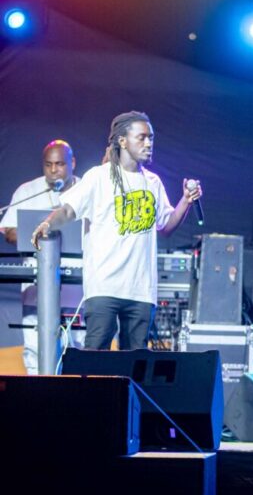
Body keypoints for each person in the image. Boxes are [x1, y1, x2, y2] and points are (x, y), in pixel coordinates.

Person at [31, 111, 202, 351]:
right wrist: (48, 223)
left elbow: (165, 226)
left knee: (135, 361)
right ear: (122, 140)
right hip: (105, 286)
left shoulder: (153, 182)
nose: (148, 143)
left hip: (141, 289)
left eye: (151, 138)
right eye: (142, 137)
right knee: (96, 356)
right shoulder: (99, 177)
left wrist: (185, 201)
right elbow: (69, 210)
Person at [0, 140, 83, 373]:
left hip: (75, 290)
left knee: (76, 348)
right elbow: (9, 231)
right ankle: (38, 393)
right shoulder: (28, 191)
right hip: (36, 286)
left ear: (72, 163)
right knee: (35, 350)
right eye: (48, 165)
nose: (54, 170)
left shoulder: (86, 190)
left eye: (60, 164)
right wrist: (37, 233)